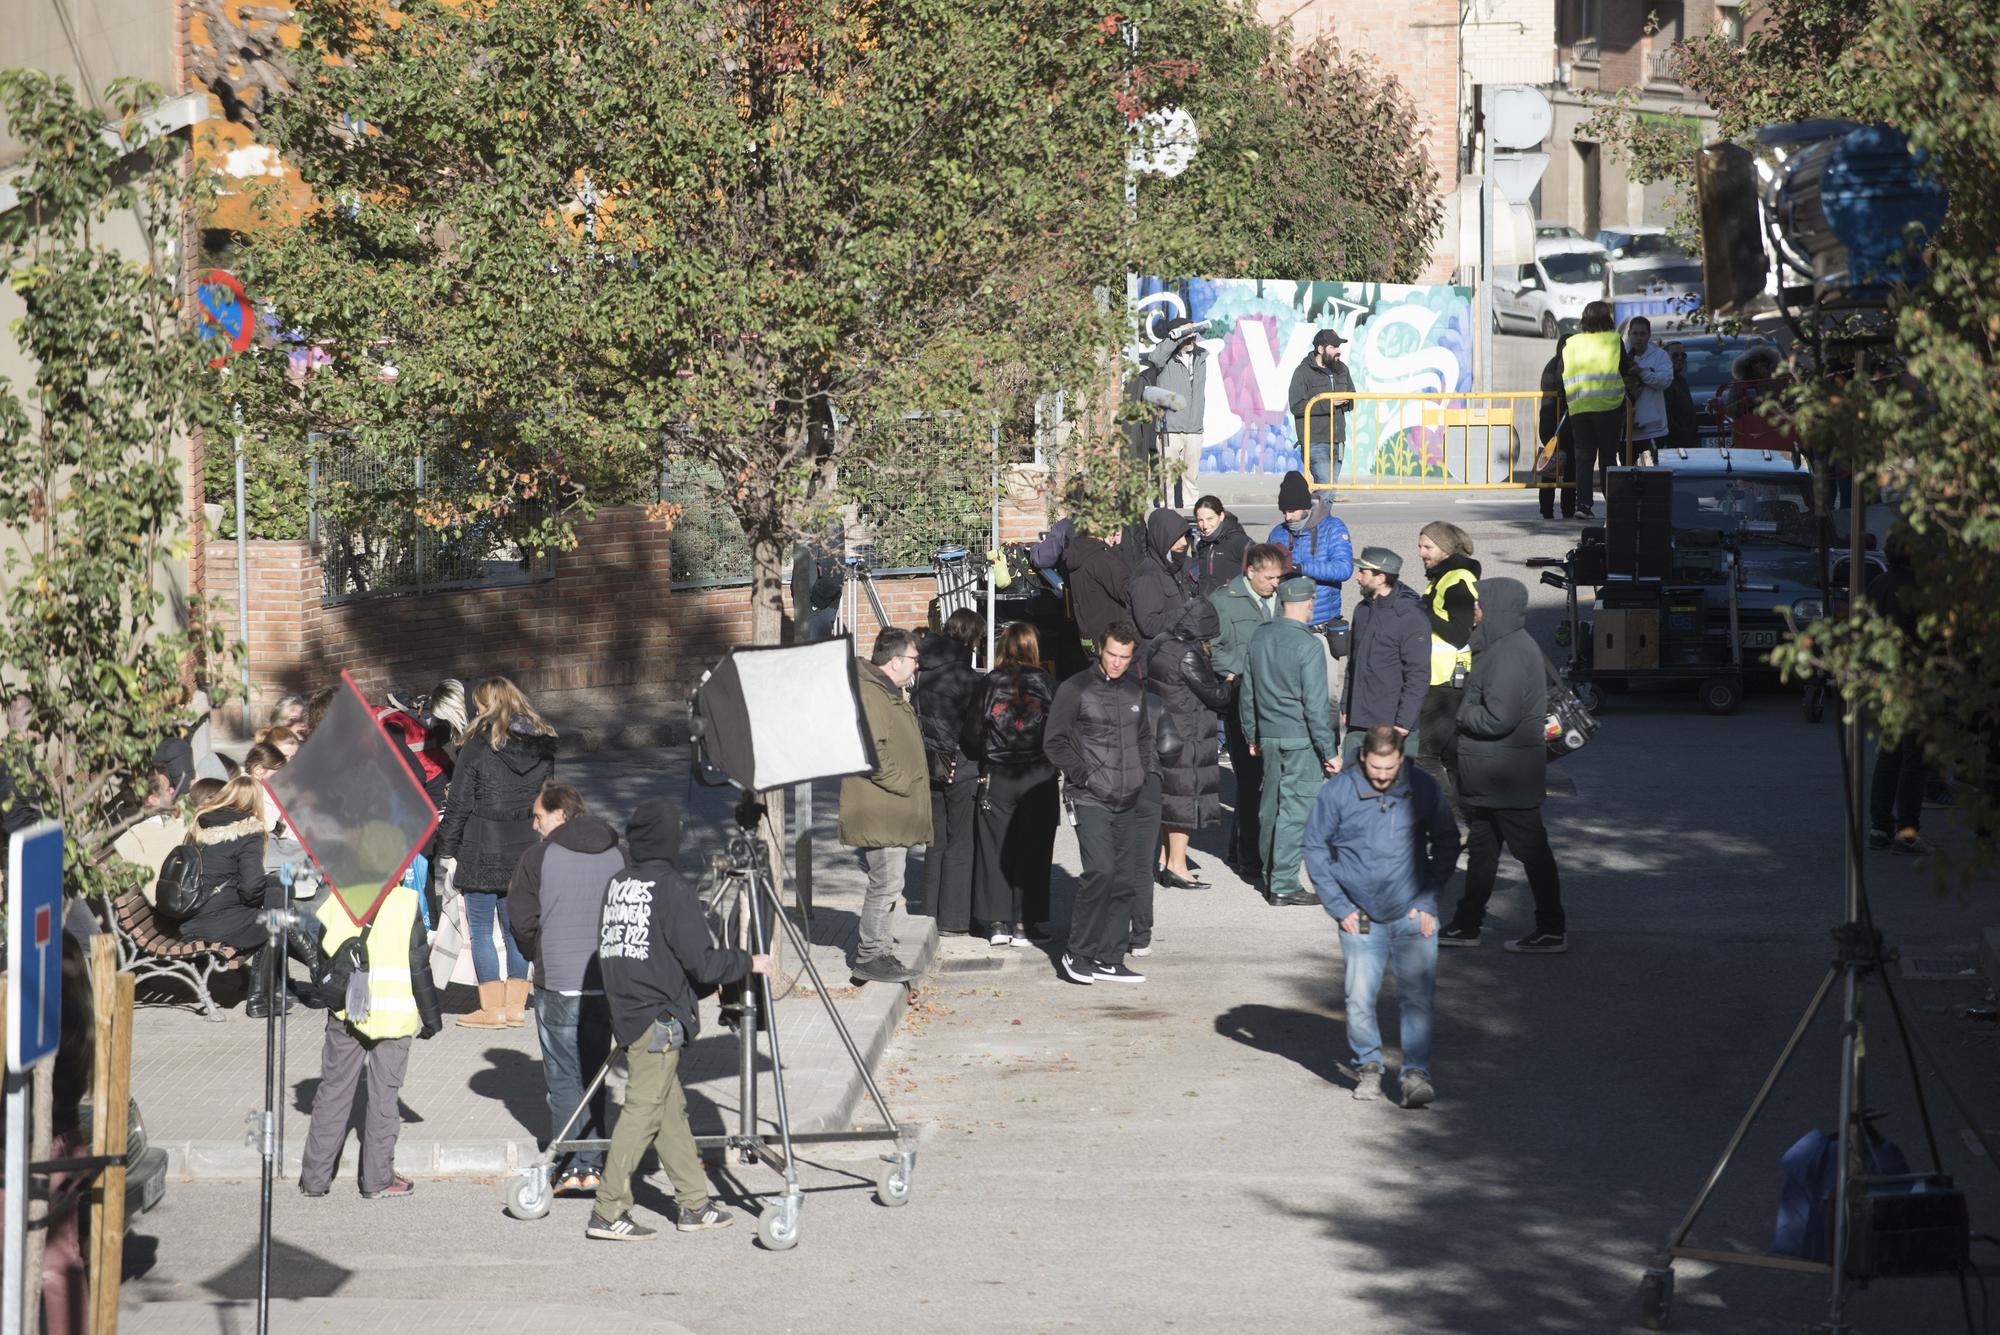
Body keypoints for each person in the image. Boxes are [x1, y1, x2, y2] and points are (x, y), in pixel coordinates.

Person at [588, 798, 772, 1240]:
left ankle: (693, 1203)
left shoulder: (618, 883)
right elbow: (703, 964)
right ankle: (608, 1210)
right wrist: (748, 962)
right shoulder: (671, 888)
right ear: (670, 840)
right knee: (643, 1110)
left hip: (628, 1010)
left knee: (670, 1109)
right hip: (658, 1015)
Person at [1304, 725, 1459, 1107]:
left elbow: (1447, 840)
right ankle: (1369, 1068)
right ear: (1362, 757)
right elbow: (1314, 846)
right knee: (1358, 997)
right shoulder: (1339, 791)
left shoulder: (1421, 786)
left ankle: (1416, 1074)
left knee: (1418, 997)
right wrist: (1339, 906)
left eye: (1390, 768)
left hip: (1413, 910)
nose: (1384, 776)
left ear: (1401, 758)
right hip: (1360, 915)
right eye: (1376, 768)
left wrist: (1428, 899)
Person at [1438, 578, 1568, 953]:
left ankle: (1551, 929)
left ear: (1497, 608)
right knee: (1483, 850)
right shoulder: (1501, 645)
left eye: (1480, 604)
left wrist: (1463, 713)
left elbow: (1499, 718)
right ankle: (1466, 924)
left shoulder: (1509, 653)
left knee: (1532, 852)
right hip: (1494, 773)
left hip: (1507, 775)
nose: (1475, 610)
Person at [297, 871, 443, 1200]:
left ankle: (315, 1178)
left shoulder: (339, 900)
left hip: (347, 1012)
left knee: (333, 1090)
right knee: (384, 1096)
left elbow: (322, 958)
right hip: (393, 1015)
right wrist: (432, 1017)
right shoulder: (406, 904)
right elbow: (418, 963)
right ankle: (377, 1179)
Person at [508, 782, 623, 1196]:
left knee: (563, 1077)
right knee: (595, 1074)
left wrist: (536, 952)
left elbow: (520, 919)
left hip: (557, 980)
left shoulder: (539, 857)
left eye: (538, 816)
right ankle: (593, 1164)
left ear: (560, 813)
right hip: (607, 981)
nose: (535, 825)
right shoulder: (618, 852)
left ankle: (572, 1166)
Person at [1042, 622, 1167, 985]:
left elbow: (1144, 737)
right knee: (1101, 872)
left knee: (1127, 878)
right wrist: (1083, 775)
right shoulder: (1075, 688)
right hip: (1090, 796)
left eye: (1124, 658)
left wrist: (1141, 773)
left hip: (1129, 796)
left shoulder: (1134, 690)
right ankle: (1077, 953)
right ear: (1100, 649)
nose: (1116, 663)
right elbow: (1054, 741)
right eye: (1112, 654)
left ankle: (1110, 958)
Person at [434, 677, 559, 1027]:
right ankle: (517, 1007)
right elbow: (546, 799)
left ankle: (492, 1010)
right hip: (524, 846)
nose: (475, 709)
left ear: (488, 705)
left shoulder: (475, 746)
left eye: (478, 703)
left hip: (480, 844)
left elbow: (458, 803)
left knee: (480, 929)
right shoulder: (542, 746)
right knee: (515, 928)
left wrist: (445, 850)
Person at [177, 775, 324, 1017]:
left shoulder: (201, 823)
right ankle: (312, 969)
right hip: (216, 922)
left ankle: (275, 990)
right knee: (275, 916)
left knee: (277, 894)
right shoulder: (249, 831)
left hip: (193, 913)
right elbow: (250, 890)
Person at [1240, 577, 1341, 906]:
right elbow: (1315, 706)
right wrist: (1329, 751)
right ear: (1309, 603)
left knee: (1269, 806)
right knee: (1295, 812)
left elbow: (1248, 692)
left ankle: (1269, 873)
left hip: (1268, 735)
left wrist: (1251, 733)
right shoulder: (1309, 645)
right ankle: (1283, 882)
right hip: (1299, 739)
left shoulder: (1260, 635)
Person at [840, 627, 932, 984]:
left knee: (891, 881)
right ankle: (870, 956)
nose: (917, 664)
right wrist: (903, 783)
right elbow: (873, 753)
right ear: (895, 662)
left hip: (889, 806)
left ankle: (879, 950)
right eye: (913, 659)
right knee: (885, 882)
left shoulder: (886, 690)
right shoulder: (874, 694)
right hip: (881, 807)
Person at [966, 623, 1060, 947]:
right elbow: (1060, 730)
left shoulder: (988, 683)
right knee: (1034, 848)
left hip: (999, 772)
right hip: (1038, 774)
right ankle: (1025, 921)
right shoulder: (1048, 683)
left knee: (993, 848)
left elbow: (973, 732)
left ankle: (995, 922)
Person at [1209, 542, 1286, 875]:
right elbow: (1211, 647)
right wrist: (1233, 671)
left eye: (1278, 578)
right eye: (1269, 578)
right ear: (1250, 571)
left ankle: (1238, 848)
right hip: (1242, 697)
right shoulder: (1224, 602)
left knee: (1264, 778)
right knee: (1250, 776)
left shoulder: (1279, 600)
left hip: (1274, 698)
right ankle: (1249, 856)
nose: (1275, 584)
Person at [1147, 587, 1228, 891]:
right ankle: (1179, 867)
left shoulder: (1161, 643)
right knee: (1183, 803)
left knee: (1170, 802)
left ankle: (1166, 861)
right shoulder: (1189, 654)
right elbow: (1215, 695)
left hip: (1166, 730)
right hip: (1188, 733)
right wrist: (1234, 683)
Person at [915, 610, 985, 935]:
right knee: (961, 842)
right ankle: (954, 919)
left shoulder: (924, 668)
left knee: (936, 840)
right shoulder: (966, 677)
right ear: (972, 639)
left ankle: (929, 911)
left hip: (928, 762)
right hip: (960, 764)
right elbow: (974, 731)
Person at [1267, 470, 1355, 718]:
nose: (1288, 516)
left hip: (1321, 630)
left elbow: (1344, 568)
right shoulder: (1278, 533)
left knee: (1326, 697)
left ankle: (1328, 751)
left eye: (1293, 510)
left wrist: (1300, 568)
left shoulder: (1333, 528)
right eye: (1284, 511)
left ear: (1306, 506)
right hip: (1288, 628)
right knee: (1291, 697)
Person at [1340, 547, 1430, 765]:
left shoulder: (1410, 616)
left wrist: (1403, 722)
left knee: (1393, 792)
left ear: (1380, 577)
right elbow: (1354, 663)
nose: (1357, 576)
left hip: (1393, 725)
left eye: (1363, 571)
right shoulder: (1362, 610)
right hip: (1358, 721)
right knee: (1352, 787)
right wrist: (1346, 705)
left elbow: (1418, 675)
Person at [1867, 541, 1929, 854]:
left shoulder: (1877, 584)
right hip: (1913, 681)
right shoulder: (1920, 589)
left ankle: (1880, 825)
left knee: (1889, 754)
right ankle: (1907, 830)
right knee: (1914, 760)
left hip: (1881, 679)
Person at [1415, 522, 1481, 815]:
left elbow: (1459, 633)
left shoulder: (1457, 580)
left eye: (1427, 547)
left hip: (1446, 682)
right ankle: (1468, 818)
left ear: (1445, 548)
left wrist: (1426, 611)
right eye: (1420, 546)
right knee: (1451, 755)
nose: (1421, 552)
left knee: (1426, 756)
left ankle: (1451, 819)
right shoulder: (1442, 577)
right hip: (1440, 678)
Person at [1561, 300, 1635, 518]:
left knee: (1584, 458)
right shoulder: (1613, 340)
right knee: (1608, 458)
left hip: (1579, 407)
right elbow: (1624, 368)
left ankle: (1583, 505)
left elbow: (1562, 372)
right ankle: (1612, 503)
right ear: (1608, 318)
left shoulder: (1572, 343)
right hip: (1609, 408)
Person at [1142, 317, 1209, 507]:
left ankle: (1191, 518)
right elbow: (1154, 358)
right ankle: (1166, 516)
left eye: (1193, 333)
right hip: (1169, 429)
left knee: (1191, 480)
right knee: (1167, 481)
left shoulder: (1201, 356)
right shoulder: (1165, 359)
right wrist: (1176, 337)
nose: (1192, 338)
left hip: (1194, 429)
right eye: (1187, 334)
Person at [1287, 328, 1357, 488]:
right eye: (1334, 347)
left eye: (1339, 347)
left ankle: (1317, 512)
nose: (1339, 351)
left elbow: (1353, 395)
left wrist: (1349, 401)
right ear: (1320, 349)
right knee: (1325, 484)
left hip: (1338, 441)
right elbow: (1296, 406)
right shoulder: (1303, 372)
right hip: (1315, 442)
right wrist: (1329, 403)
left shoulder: (1342, 369)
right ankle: (1314, 511)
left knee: (1330, 489)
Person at [1127, 507, 1204, 646]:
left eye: (1185, 536)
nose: (1184, 542)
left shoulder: (1179, 565)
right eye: (1177, 537)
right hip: (1162, 655)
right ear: (1162, 538)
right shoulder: (1147, 576)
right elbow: (1149, 625)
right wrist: (1187, 614)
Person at [1061, 521, 1134, 652]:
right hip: (1113, 642)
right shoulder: (1101, 558)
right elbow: (1129, 592)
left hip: (1090, 639)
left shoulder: (1078, 553)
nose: (1116, 535)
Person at [1623, 316, 1673, 465]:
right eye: (1635, 334)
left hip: (1654, 430)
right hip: (1626, 432)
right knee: (1627, 477)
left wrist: (1642, 373)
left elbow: (1665, 381)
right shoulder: (1621, 356)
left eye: (1643, 334)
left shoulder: (1660, 356)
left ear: (1649, 335)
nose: (1639, 338)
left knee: (1653, 478)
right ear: (1629, 334)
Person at [1537, 335, 1577, 519]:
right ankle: (1547, 510)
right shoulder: (1553, 367)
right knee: (1551, 468)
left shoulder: (1568, 365)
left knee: (1570, 469)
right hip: (1553, 423)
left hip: (1569, 423)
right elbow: (1550, 394)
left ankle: (1567, 510)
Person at [1187, 496, 1250, 597]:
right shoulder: (1202, 543)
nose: (1205, 525)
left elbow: (1261, 567)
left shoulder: (1238, 540)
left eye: (1210, 519)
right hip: (1206, 606)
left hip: (1231, 606)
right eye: (1200, 520)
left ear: (1221, 516)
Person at [1662, 341, 1701, 451]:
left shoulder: (1680, 380)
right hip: (1675, 447)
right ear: (1665, 358)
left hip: (1687, 443)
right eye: (1675, 355)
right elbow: (1666, 415)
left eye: (1683, 355)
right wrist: (1682, 436)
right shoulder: (1665, 381)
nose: (1680, 358)